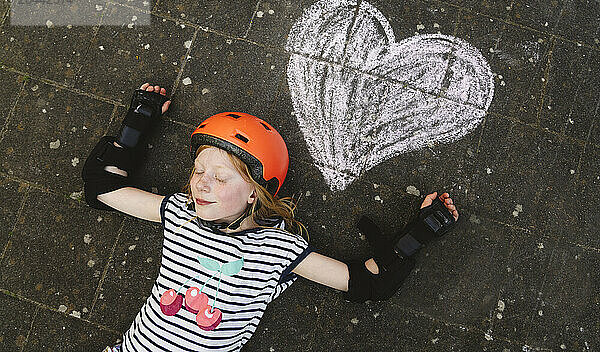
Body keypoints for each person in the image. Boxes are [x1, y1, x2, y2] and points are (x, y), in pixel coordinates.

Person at [83, 83, 459, 352]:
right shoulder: (180, 212)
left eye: (219, 177)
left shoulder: (277, 248)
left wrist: (418, 232)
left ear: (254, 192)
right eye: (198, 171)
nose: (201, 185)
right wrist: (138, 124)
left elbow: (366, 282)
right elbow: (102, 188)